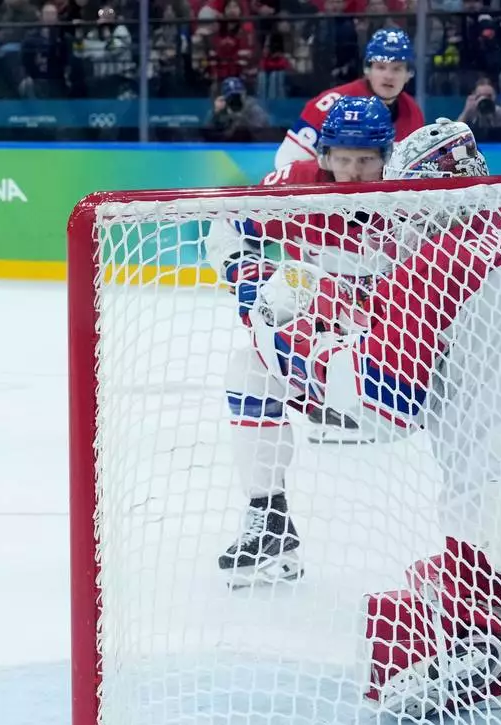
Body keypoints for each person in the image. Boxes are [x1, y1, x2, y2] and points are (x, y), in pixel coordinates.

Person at [205, 95, 396, 587]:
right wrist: (245, 274)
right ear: (324, 154)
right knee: (248, 369)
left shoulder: (411, 200)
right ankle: (270, 519)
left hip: (400, 356)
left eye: (366, 160)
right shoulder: (296, 185)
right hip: (321, 346)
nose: (353, 173)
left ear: (386, 156)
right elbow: (227, 226)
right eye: (343, 159)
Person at [273, 26, 425, 169]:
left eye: (397, 69)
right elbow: (287, 162)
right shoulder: (330, 106)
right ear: (367, 70)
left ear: (409, 74)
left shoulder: (413, 112)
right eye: (380, 67)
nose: (388, 76)